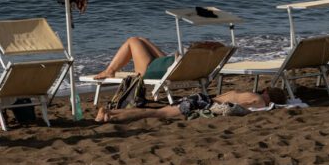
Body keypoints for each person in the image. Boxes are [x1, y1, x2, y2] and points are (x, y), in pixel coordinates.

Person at [95, 86, 288, 123]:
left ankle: (111, 113)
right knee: (155, 114)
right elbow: (242, 105)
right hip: (202, 103)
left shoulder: (248, 92)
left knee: (155, 111)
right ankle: (110, 115)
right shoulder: (259, 99)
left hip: (201, 98)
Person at [93, 36, 223, 81]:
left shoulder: (193, 57)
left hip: (152, 70)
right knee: (142, 40)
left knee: (132, 41)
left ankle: (109, 70)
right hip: (168, 65)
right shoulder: (201, 62)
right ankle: (110, 70)